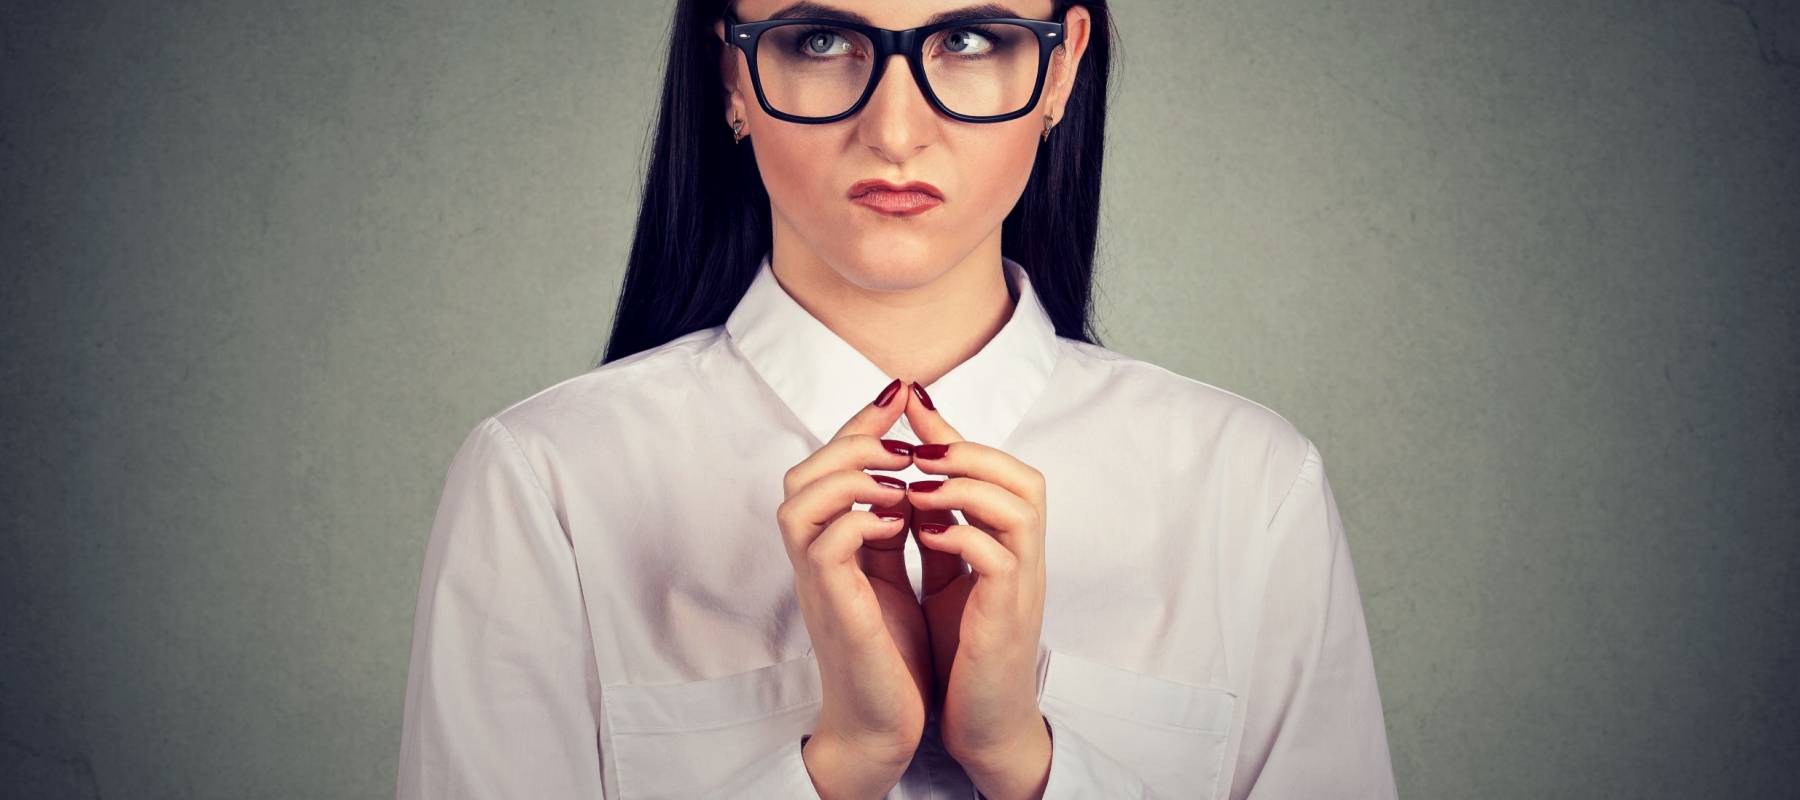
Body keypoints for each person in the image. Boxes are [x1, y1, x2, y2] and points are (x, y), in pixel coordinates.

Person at [396, 0, 1398, 797]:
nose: (895, 130)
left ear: (1059, 69)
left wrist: (1023, 759)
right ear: (734, 77)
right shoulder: (547, 481)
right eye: (822, 38)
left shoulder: (1250, 485)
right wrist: (841, 762)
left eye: (969, 38)